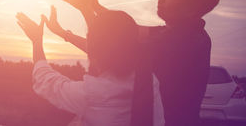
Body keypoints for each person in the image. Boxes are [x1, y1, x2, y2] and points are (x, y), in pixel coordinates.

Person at [51, 0, 226, 126]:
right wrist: (94, 7)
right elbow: (128, 29)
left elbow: (104, 49)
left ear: (192, 9)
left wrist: (66, 28)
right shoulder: (187, 33)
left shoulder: (178, 43)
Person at [16, 10, 165, 126]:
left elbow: (46, 81)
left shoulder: (94, 94)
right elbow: (110, 48)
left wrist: (36, 40)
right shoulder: (150, 79)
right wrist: (63, 33)